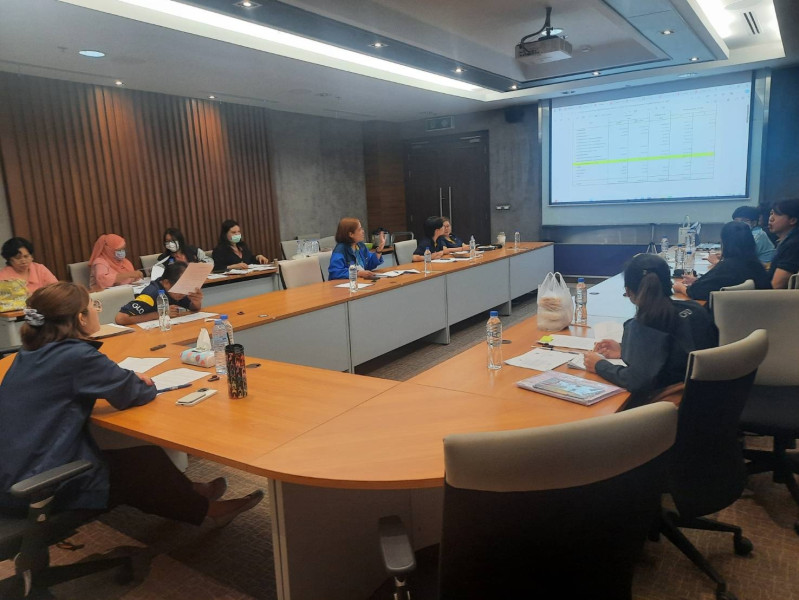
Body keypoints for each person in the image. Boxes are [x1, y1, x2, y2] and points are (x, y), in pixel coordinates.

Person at [0, 282, 263, 526]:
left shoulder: (31, 352)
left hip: (13, 471)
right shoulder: (76, 356)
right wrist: (135, 380)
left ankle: (192, 492)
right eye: (94, 305)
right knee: (142, 466)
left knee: (136, 457)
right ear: (81, 318)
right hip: (36, 485)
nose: (97, 310)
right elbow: (135, 394)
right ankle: (207, 512)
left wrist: (116, 379)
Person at [583, 254, 718, 408]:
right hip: (708, 402)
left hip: (670, 411)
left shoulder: (642, 325)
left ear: (628, 291)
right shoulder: (695, 309)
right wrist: (624, 349)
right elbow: (674, 350)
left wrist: (599, 365)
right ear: (669, 284)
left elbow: (636, 381)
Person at [672, 221, 772, 300]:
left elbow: (696, 292)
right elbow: (717, 282)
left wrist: (680, 287)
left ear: (725, 243)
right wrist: (698, 281)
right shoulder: (756, 265)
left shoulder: (727, 267)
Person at [115, 261, 203, 325]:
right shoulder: (150, 294)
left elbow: (193, 308)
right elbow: (120, 318)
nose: (183, 293)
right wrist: (159, 314)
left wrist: (196, 302)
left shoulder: (177, 291)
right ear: (166, 283)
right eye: (180, 288)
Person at [767, 198, 799, 289]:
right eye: (771, 213)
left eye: (777, 214)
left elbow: (776, 286)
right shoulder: (787, 241)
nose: (771, 218)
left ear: (792, 220)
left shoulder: (793, 245)